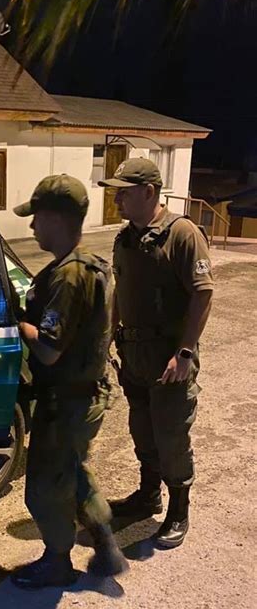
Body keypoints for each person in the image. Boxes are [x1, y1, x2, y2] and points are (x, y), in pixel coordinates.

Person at [11, 173, 127, 589]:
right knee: (74, 472)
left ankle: (57, 563)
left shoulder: (67, 276)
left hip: (67, 400)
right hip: (87, 393)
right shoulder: (89, 265)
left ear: (56, 219)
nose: (31, 226)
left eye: (36, 217)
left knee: (45, 486)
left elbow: (48, 349)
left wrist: (19, 324)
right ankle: (106, 544)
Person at [99, 158, 213, 548]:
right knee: (142, 430)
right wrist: (109, 335)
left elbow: (203, 293)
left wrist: (184, 352)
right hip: (134, 354)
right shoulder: (125, 238)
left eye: (124, 193)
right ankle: (148, 495)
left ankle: (179, 510)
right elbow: (121, 290)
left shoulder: (182, 234)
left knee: (171, 434)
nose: (117, 201)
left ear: (149, 192)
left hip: (169, 358)